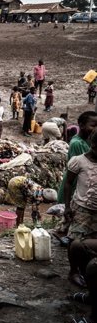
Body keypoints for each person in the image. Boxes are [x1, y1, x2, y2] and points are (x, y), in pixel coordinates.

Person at [62, 131, 97, 289]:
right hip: (81, 208)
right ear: (92, 144)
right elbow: (69, 183)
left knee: (90, 241)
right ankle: (73, 271)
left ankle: (87, 269)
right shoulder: (79, 161)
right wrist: (67, 206)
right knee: (74, 239)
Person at [56, 111, 97, 242]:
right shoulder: (77, 144)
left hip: (84, 194)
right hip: (76, 191)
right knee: (72, 223)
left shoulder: (85, 142)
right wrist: (69, 204)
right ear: (81, 125)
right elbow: (74, 176)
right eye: (93, 125)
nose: (95, 128)